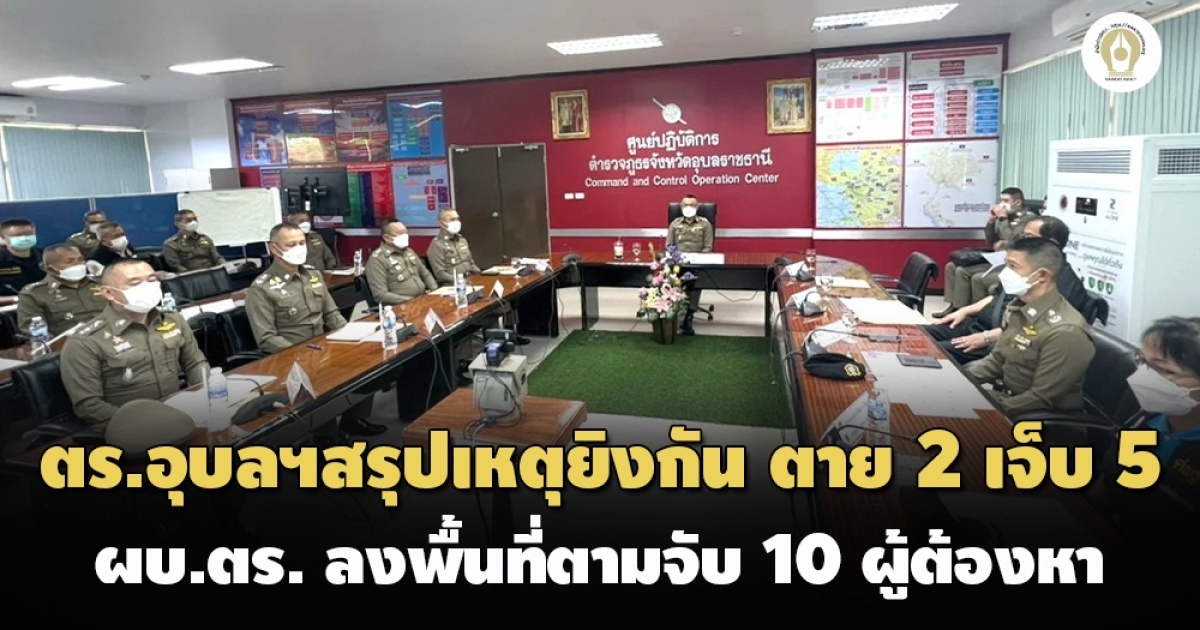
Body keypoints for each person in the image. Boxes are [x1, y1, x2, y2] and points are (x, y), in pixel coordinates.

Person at [244, 223, 385, 437]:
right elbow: (266, 338)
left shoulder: (313, 275)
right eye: (291, 244)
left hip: (322, 347)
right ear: (274, 248)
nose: (299, 248)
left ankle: (353, 419)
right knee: (321, 388)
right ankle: (325, 437)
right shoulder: (261, 288)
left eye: (302, 242)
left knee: (365, 362)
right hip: (289, 356)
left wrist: (354, 336)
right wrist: (302, 353)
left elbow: (332, 315)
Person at [59, 259, 209, 424]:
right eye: (134, 283)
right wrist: (142, 421)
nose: (147, 287)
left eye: (151, 280)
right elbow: (89, 406)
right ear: (108, 293)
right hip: (130, 425)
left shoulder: (172, 319)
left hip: (183, 409)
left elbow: (195, 362)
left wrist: (206, 393)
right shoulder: (85, 341)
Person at [926, 215, 1088, 364]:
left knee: (927, 351)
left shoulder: (1062, 282)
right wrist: (964, 310)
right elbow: (996, 296)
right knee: (918, 334)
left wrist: (987, 337)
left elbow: (1033, 330)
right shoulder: (1024, 266)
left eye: (1029, 236)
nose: (1023, 240)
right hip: (978, 325)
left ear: (1051, 242)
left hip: (1000, 339)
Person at [965, 237, 1095, 416]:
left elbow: (1041, 398)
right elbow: (998, 359)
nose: (1004, 273)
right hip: (1007, 400)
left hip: (1039, 420)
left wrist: (987, 413)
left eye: (1013, 266)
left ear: (1042, 276)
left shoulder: (1065, 331)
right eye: (1006, 265)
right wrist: (960, 383)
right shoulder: (1019, 308)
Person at [937, 187, 1034, 317]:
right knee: (951, 266)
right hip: (997, 257)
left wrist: (1003, 220)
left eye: (1006, 201)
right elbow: (991, 240)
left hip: (1009, 262)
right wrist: (991, 222)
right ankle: (954, 305)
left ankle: (967, 310)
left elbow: (1012, 238)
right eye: (1001, 200)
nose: (1002, 204)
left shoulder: (1027, 219)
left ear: (1017, 202)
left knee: (963, 272)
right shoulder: (1004, 217)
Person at [17, 244, 106, 336]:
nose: (78, 264)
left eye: (80, 259)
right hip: (73, 341)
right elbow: (34, 332)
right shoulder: (34, 294)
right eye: (69, 261)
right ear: (50, 269)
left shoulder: (102, 283)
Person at [666, 194, 713, 336]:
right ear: (681, 207)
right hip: (678, 263)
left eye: (692, 205)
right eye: (685, 204)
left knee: (694, 278)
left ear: (697, 207)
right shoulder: (674, 224)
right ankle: (673, 311)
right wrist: (678, 258)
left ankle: (689, 315)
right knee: (671, 277)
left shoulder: (705, 224)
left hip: (697, 263)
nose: (688, 207)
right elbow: (670, 246)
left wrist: (696, 259)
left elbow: (707, 248)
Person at [366, 219, 436, 305]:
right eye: (400, 233)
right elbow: (380, 295)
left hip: (422, 300)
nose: (405, 235)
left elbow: (425, 273)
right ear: (386, 238)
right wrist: (411, 301)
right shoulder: (378, 260)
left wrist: (435, 291)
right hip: (402, 305)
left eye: (405, 232)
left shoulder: (408, 251)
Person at [426, 208, 480, 285]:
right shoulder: (437, 245)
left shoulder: (462, 240)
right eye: (452, 220)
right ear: (442, 224)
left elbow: (471, 264)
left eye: (457, 219)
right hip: (453, 284)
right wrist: (460, 280)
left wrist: (481, 274)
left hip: (470, 279)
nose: (456, 222)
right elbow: (440, 274)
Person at [161, 209, 226, 272]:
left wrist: (226, 267)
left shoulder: (205, 238)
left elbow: (217, 258)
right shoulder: (171, 244)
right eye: (188, 220)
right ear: (177, 224)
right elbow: (176, 267)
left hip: (212, 273)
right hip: (191, 276)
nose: (193, 222)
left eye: (195, 219)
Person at [0, 219, 44, 295]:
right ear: (3, 237)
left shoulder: (47, 255)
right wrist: (17, 299)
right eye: (17, 235)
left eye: (28, 234)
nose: (24, 238)